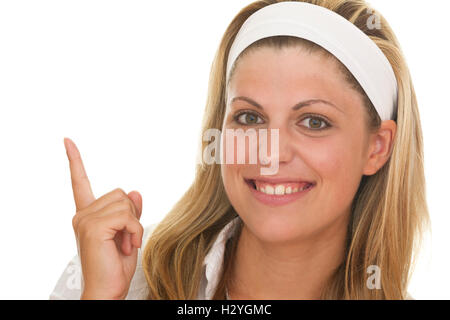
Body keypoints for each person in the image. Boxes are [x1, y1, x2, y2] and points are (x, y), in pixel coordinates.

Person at [50, 0, 429, 300]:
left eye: (314, 122)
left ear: (376, 148)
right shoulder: (120, 273)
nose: (270, 152)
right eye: (250, 118)